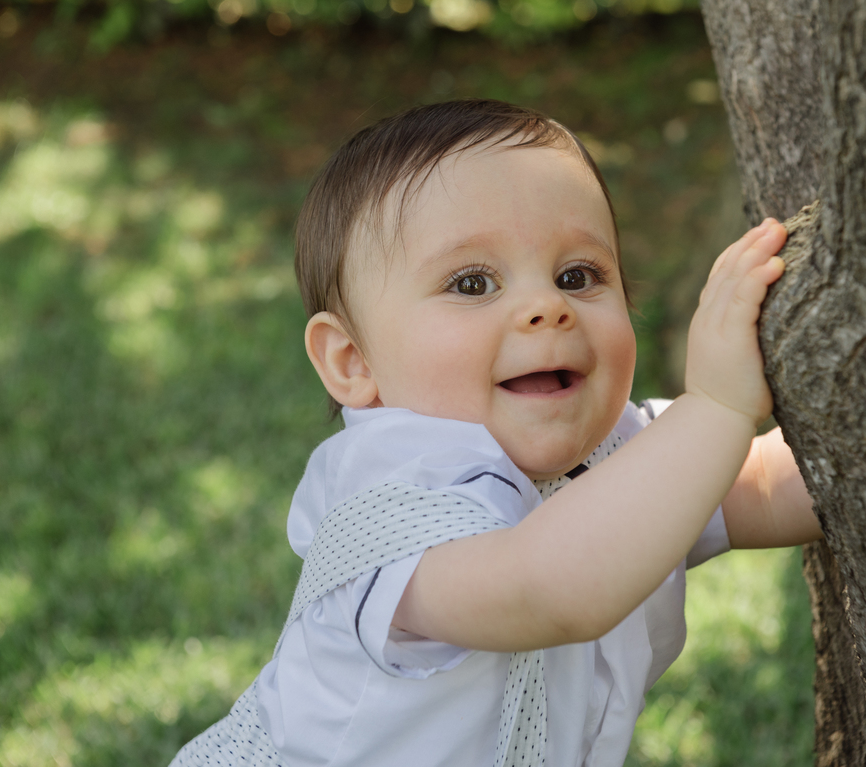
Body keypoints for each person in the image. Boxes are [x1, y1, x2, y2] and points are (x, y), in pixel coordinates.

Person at [171, 99, 821, 767]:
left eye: (578, 276)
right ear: (352, 361)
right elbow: (549, 587)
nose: (547, 307)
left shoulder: (622, 450)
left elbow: (770, 486)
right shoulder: (384, 506)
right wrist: (714, 405)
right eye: (473, 283)